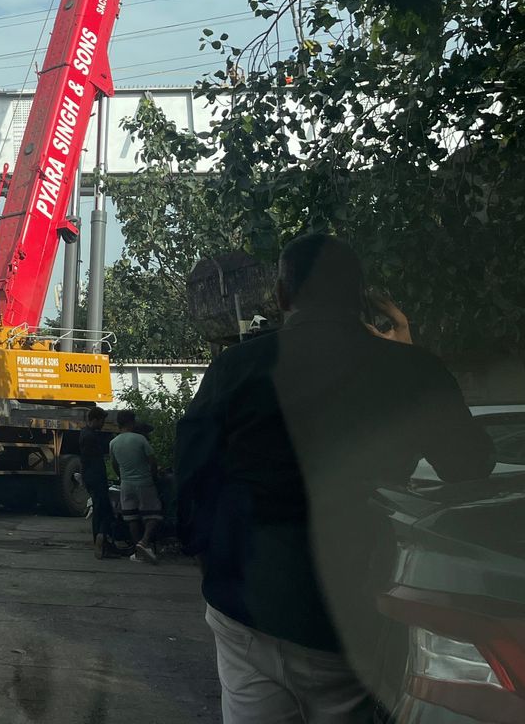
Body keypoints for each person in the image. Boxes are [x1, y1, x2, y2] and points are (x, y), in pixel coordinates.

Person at [176, 233, 492, 722]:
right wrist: (412, 360)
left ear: (282, 294)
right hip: (348, 619)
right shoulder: (412, 371)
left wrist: (211, 562)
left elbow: (191, 479)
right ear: (360, 296)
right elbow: (469, 465)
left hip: (243, 608)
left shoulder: (234, 368)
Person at [110, 409, 162, 563]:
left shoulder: (113, 443)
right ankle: (144, 542)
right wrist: (153, 475)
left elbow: (114, 464)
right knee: (154, 514)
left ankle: (138, 551)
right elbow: (152, 461)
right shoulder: (140, 439)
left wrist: (122, 477)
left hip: (126, 484)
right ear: (131, 422)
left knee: (131, 517)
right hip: (144, 482)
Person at [78, 406, 122, 558]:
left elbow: (84, 460)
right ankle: (102, 541)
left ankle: (102, 542)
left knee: (100, 509)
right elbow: (92, 460)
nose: (103, 423)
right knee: (104, 511)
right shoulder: (91, 437)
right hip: (96, 478)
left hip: (91, 477)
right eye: (102, 420)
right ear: (95, 420)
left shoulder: (85, 433)